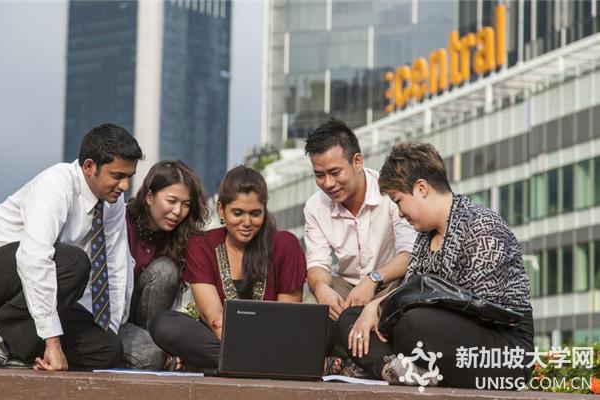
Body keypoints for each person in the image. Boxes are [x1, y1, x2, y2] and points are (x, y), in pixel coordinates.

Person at [338, 142, 534, 388]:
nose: (400, 213)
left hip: (500, 349)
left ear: (421, 188)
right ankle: (393, 369)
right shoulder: (424, 237)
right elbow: (410, 293)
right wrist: (374, 308)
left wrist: (383, 307)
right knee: (352, 319)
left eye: (398, 201)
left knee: (413, 324)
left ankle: (401, 366)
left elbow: (482, 310)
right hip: (436, 340)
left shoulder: (482, 227)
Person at [0, 123, 142, 371]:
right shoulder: (56, 185)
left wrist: (109, 328)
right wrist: (53, 343)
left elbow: (115, 267)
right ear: (89, 167)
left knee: (107, 349)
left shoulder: (112, 203)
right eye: (117, 176)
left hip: (33, 293)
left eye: (129, 177)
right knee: (74, 262)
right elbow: (34, 259)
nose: (125, 185)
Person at [149, 165, 307, 369]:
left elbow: (286, 317)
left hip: (273, 340)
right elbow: (213, 315)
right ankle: (265, 364)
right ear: (221, 209)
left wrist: (265, 345)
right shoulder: (202, 244)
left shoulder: (285, 244)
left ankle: (240, 363)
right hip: (220, 339)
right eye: (238, 213)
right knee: (164, 324)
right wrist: (250, 351)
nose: (247, 222)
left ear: (264, 210)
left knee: (320, 328)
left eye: (255, 213)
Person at [303, 118, 417, 357]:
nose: (328, 183)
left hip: (389, 281)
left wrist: (373, 279)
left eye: (335, 172)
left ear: (357, 161)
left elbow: (409, 255)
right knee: (311, 305)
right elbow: (317, 265)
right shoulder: (314, 207)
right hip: (345, 286)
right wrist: (322, 288)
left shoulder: (389, 192)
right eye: (319, 175)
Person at [119, 160, 208, 370]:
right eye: (172, 201)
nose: (178, 211)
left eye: (186, 204)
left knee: (166, 269)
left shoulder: (183, 238)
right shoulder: (119, 222)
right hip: (114, 321)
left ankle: (160, 349)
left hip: (154, 327)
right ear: (149, 197)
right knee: (153, 355)